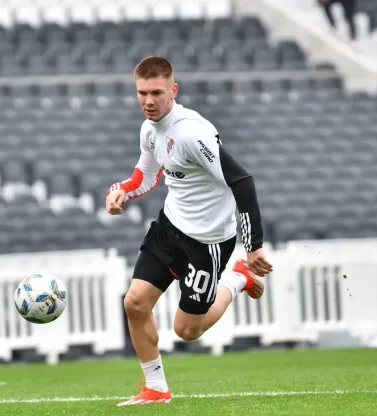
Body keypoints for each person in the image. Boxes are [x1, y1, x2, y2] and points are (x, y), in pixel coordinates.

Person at [105, 56, 273, 406]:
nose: (148, 101)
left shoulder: (192, 133)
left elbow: (242, 181)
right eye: (141, 93)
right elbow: (147, 174)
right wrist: (122, 190)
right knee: (135, 303)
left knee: (187, 331)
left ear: (173, 90)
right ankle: (156, 388)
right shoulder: (150, 129)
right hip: (170, 227)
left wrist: (252, 247)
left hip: (208, 241)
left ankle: (236, 279)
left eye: (156, 92)